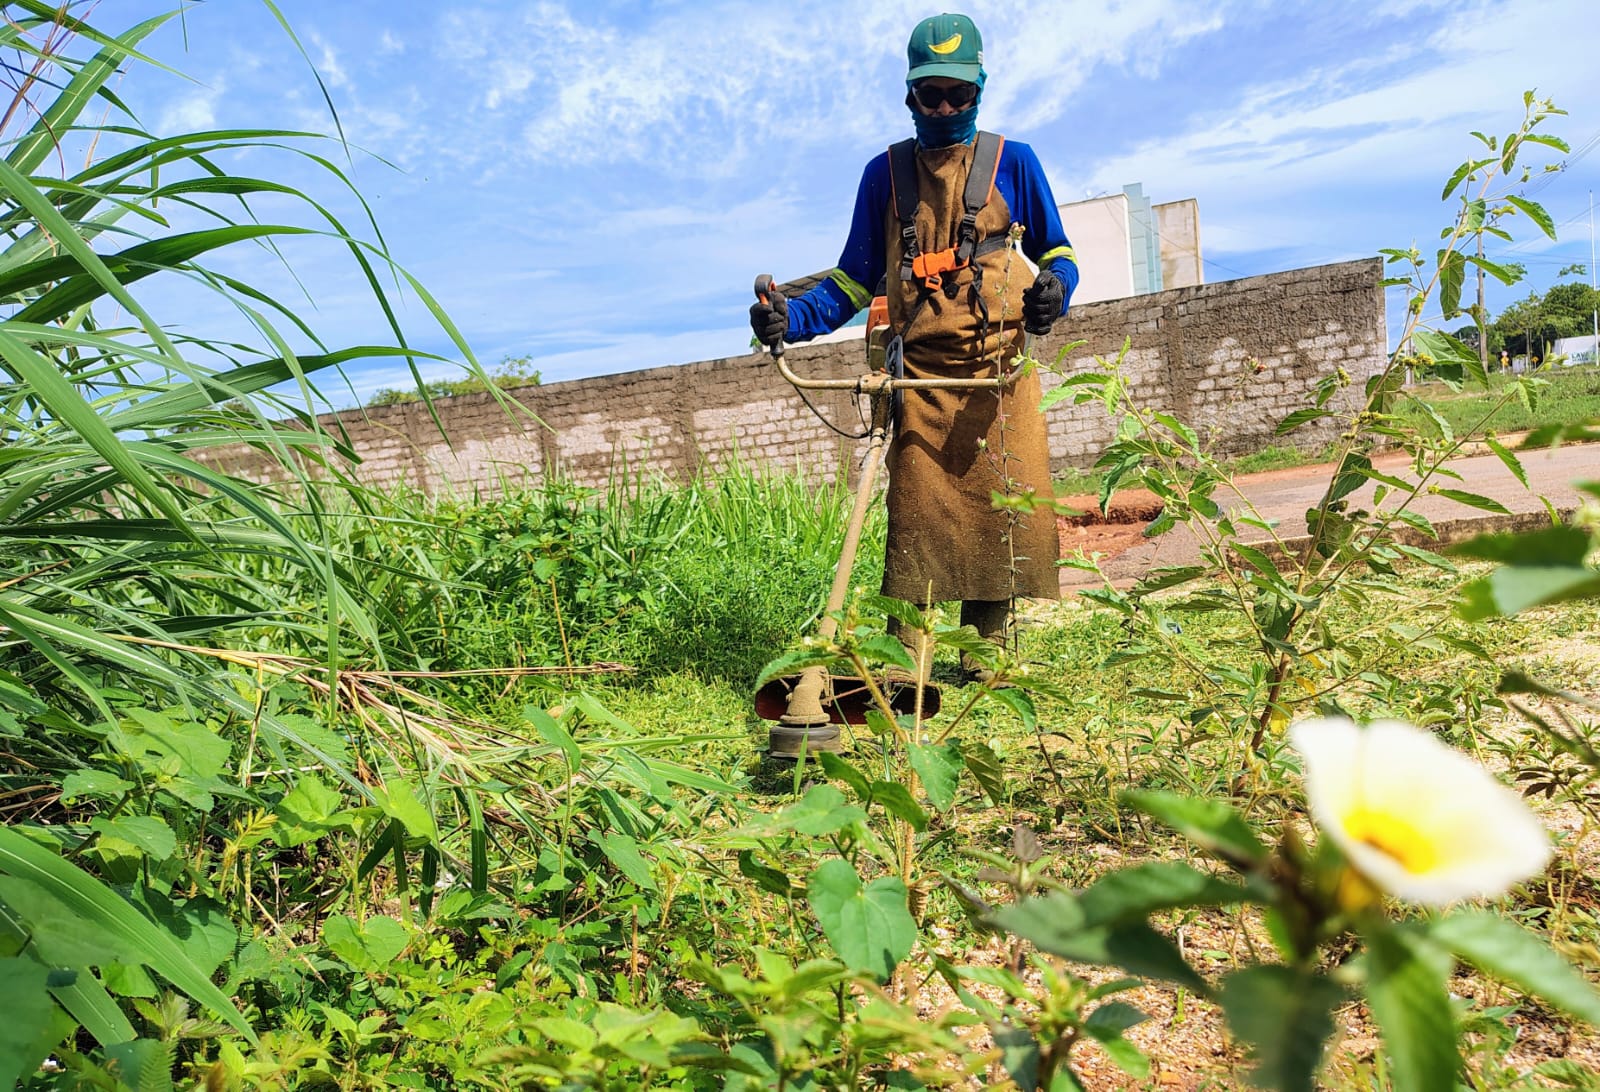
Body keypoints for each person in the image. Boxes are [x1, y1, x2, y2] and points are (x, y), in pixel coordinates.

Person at [749, 12, 1078, 682]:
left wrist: (1056, 289)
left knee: (999, 519)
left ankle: (986, 664)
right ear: (910, 94)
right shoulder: (885, 175)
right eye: (933, 94)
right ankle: (907, 676)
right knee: (919, 528)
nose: (946, 106)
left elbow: (1059, 252)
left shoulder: (1015, 161)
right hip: (918, 381)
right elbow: (849, 278)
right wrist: (793, 318)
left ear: (979, 88)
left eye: (959, 93)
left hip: (998, 381)